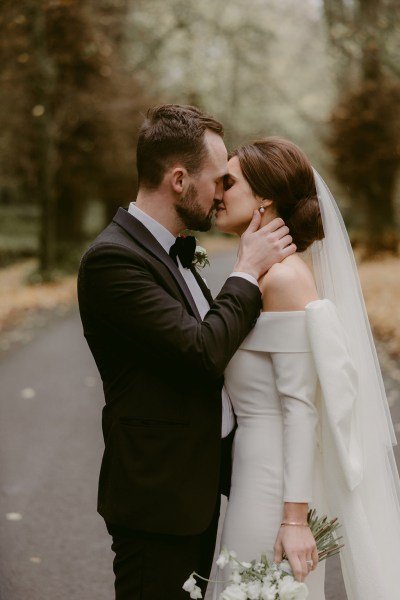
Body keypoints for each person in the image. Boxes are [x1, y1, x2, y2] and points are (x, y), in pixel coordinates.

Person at [77, 105, 296, 600]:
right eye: (218, 180)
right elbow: (202, 351)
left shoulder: (170, 251)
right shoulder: (113, 260)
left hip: (195, 493)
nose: (222, 193)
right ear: (179, 180)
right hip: (157, 504)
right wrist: (246, 271)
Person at [212, 137, 400, 599]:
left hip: (273, 483)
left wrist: (294, 521)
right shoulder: (260, 273)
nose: (216, 192)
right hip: (253, 470)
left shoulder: (285, 279)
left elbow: (301, 408)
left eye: (228, 182)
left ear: (264, 197)